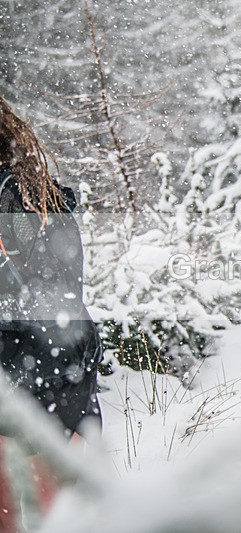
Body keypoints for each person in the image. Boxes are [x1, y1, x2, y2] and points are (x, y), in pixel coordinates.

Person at [0, 95, 101, 531]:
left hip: (40, 384)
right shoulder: (31, 196)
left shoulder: (24, 202)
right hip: (50, 381)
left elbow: (54, 298)